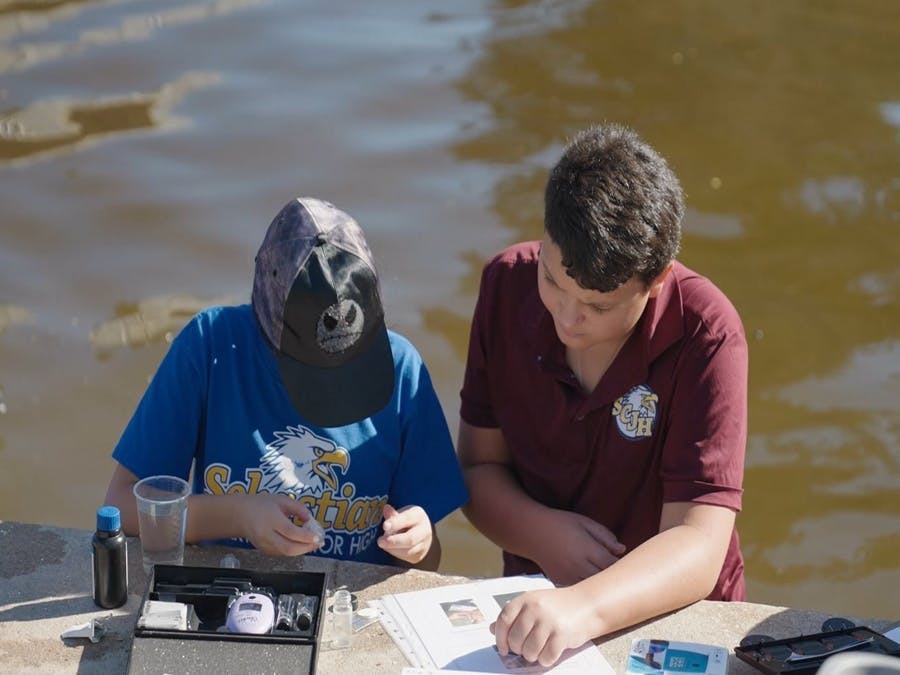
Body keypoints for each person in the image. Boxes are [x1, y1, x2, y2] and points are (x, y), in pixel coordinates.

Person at [458, 124, 748, 665]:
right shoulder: (504, 284)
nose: (568, 318)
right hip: (538, 612)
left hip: (674, 620)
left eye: (600, 306)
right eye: (552, 280)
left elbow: (699, 543)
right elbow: (477, 468)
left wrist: (583, 605)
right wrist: (541, 535)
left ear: (657, 281)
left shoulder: (708, 333)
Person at [105, 197, 468, 570]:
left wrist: (419, 542)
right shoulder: (210, 347)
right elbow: (122, 506)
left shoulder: (402, 369)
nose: (330, 388)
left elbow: (428, 563)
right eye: (310, 369)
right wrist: (238, 516)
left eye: (351, 364)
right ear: (266, 320)